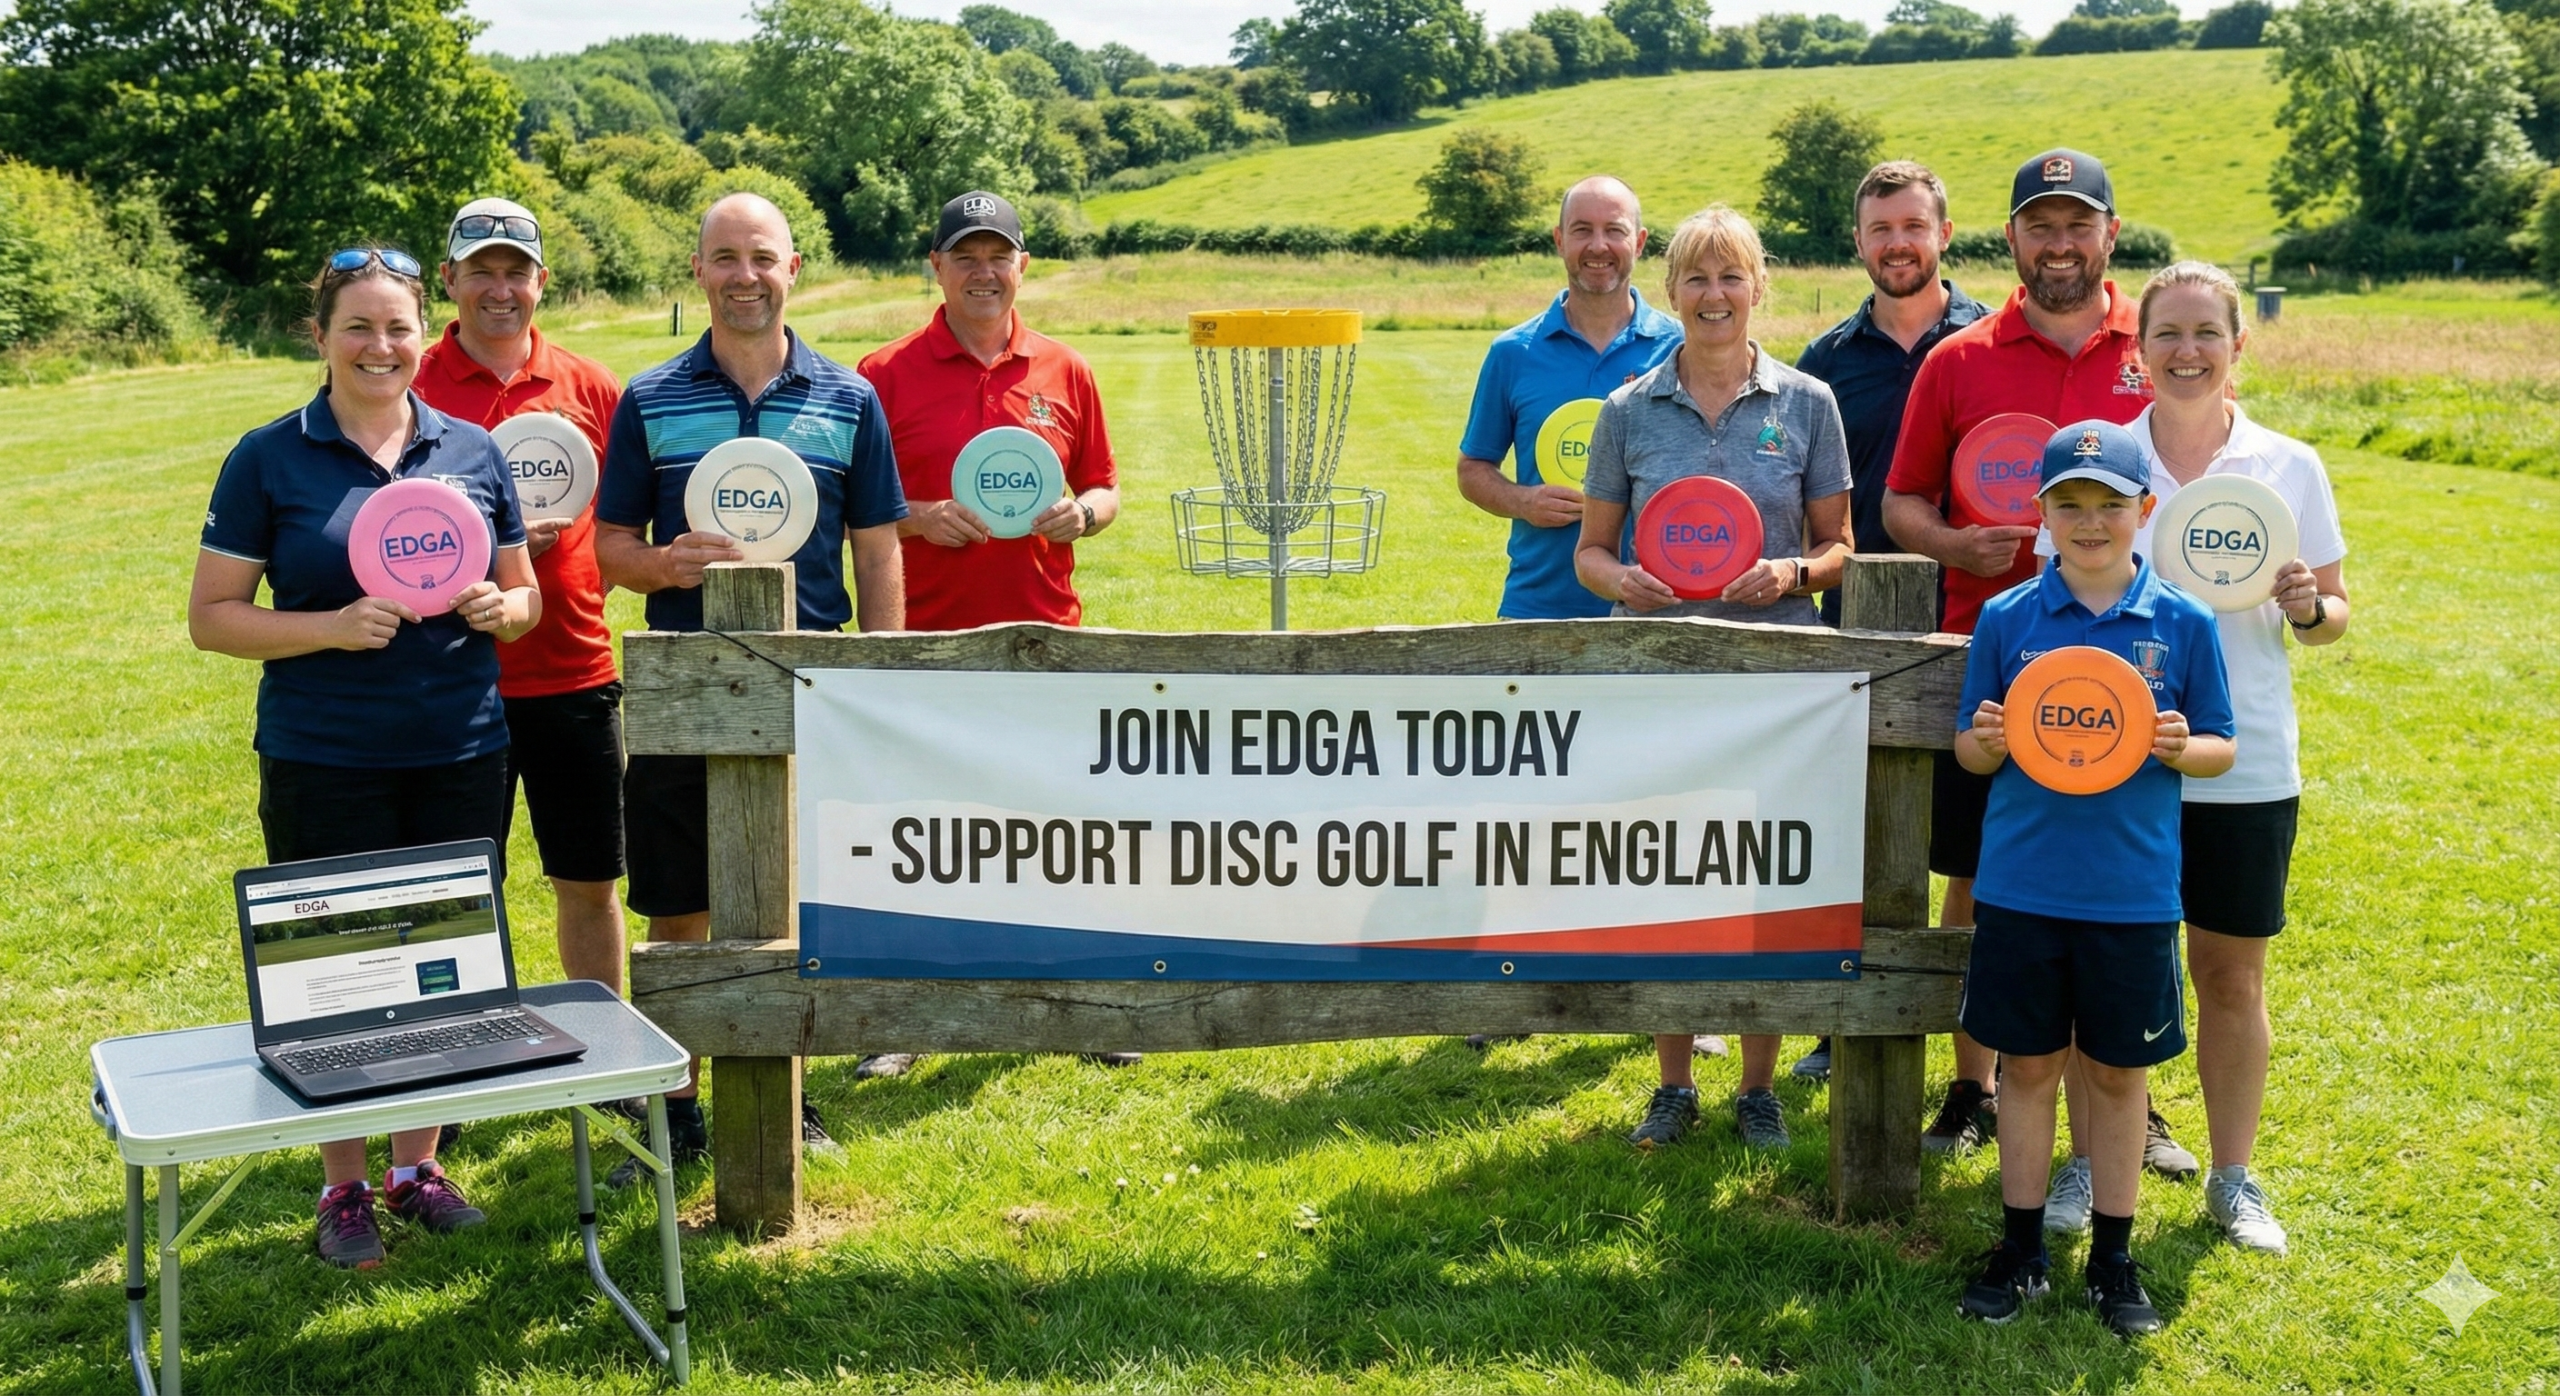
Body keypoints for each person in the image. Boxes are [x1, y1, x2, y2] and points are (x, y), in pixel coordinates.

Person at [189, 245, 540, 1267]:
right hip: (325, 753)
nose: (380, 346)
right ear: (321, 336)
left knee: (445, 961)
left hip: (461, 747)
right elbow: (214, 618)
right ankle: (342, 1183)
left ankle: (414, 1167)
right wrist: (330, 628)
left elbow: (526, 597)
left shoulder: (472, 449)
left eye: (397, 328)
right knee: (331, 969)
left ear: (424, 336)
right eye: (358, 326)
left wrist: (502, 606)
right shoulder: (269, 457)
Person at [1880, 149, 2200, 1181]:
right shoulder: (1958, 358)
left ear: (2110, 233)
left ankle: (2126, 1098)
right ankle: (1974, 1085)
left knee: (2125, 881)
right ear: (2011, 237)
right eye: (2040, 225)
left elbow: (2203, 478)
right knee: (1980, 877)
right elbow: (1901, 500)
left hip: (2136, 666)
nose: (2059, 245)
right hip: (1992, 656)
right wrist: (1952, 546)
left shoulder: (2157, 349)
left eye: (2078, 224)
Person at [595, 192, 908, 1179]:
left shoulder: (849, 399)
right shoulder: (649, 399)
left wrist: (882, 678)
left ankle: (785, 1091)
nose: (745, 276)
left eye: (762, 257)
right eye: (725, 257)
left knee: (795, 903)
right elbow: (609, 548)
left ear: (793, 268)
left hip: (808, 686)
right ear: (698, 271)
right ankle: (678, 1104)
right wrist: (664, 564)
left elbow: (877, 550)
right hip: (684, 684)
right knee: (678, 905)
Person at [1575, 205, 1853, 1152]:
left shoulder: (1808, 403)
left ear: (1759, 287)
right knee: (1666, 872)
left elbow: (1840, 544)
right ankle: (1673, 1084)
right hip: (1661, 677)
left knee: (1766, 877)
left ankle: (1758, 1088)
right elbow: (1590, 553)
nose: (1714, 295)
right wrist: (1623, 581)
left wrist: (1794, 572)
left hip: (1777, 683)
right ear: (1672, 292)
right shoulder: (1628, 410)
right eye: (1696, 277)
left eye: (1732, 276)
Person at [1950, 420, 2233, 1337]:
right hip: (2022, 886)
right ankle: (2020, 1247)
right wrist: (1985, 741)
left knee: (2116, 1075)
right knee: (2028, 1067)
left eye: (2109, 504)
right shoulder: (2008, 618)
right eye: (2068, 505)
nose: (2089, 522)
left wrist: (2184, 745)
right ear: (2042, 515)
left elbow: (2222, 746)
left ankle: (2114, 1257)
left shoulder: (2182, 622)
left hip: (2131, 892)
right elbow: (1969, 750)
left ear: (2143, 509)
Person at [858, 189, 1127, 1074]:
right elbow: (854, 510)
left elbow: (1105, 487)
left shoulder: (1065, 369)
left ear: (1022, 267)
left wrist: (1083, 515)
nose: (984, 272)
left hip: (1045, 639)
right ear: (935, 267)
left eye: (998, 256)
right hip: (928, 642)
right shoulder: (882, 374)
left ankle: (1076, 1006)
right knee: (923, 835)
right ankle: (907, 1022)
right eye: (965, 257)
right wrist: (916, 516)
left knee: (1057, 826)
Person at [2113, 262, 2349, 1254]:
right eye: (2167, 333)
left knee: (2230, 977)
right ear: (2137, 350)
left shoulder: (2288, 465)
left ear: (2237, 344)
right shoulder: (2101, 457)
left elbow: (2331, 617)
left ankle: (2232, 1176)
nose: (2187, 351)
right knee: (2114, 969)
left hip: (2244, 760)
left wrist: (2308, 605)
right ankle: (2093, 1164)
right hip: (2117, 760)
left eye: (2206, 332)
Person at [1452, 175, 1715, 1056]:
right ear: (1559, 241)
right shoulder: (1514, 353)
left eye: (1615, 230)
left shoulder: (1683, 342)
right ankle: (1511, 985)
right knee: (1524, 808)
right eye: (1582, 230)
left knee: (1661, 809)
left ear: (1641, 242)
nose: (1598, 246)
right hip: (1541, 604)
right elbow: (1473, 468)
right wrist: (1522, 500)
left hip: (1663, 611)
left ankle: (1677, 1000)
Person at [1787, 159, 1989, 1084]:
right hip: (1859, 625)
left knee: (1970, 849)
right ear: (1859, 242)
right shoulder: (1825, 364)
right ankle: (1846, 1020)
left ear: (1944, 233)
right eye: (1881, 229)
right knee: (1857, 831)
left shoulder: (1989, 344)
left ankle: (1972, 1035)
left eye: (1914, 226)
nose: (1898, 244)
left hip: (1977, 624)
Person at [415, 198, 632, 1008]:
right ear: (450, 279)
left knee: (590, 881)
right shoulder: (410, 385)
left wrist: (565, 580)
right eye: (482, 272)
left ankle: (609, 1052)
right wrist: (494, 552)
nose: (500, 290)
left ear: (542, 282)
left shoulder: (591, 386)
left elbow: (623, 527)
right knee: (457, 891)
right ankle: (457, 1054)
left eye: (517, 273)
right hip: (449, 678)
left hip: (573, 671)